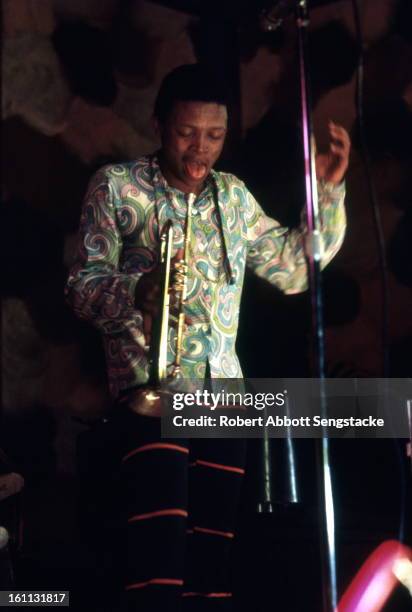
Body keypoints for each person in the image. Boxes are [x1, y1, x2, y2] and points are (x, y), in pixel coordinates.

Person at [66, 64, 350, 611]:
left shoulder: (234, 197)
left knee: (212, 574)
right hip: (152, 400)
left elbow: (295, 267)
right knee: (158, 569)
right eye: (186, 133)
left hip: (225, 401)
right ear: (158, 124)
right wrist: (134, 292)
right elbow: (81, 286)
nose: (201, 149)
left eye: (215, 136)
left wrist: (330, 190)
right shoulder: (116, 185)